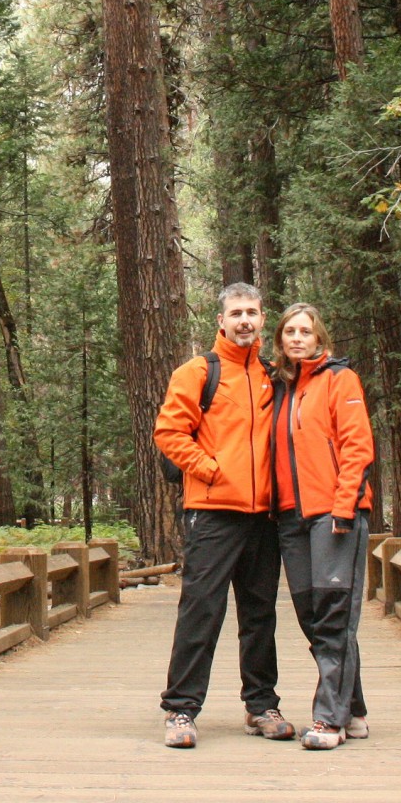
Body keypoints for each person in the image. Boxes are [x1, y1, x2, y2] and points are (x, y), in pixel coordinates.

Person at [153, 283, 296, 748]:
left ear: (262, 318)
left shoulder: (272, 375)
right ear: (221, 320)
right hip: (213, 512)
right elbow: (169, 432)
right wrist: (210, 470)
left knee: (260, 615)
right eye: (236, 312)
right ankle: (180, 710)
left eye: (253, 312)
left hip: (264, 517)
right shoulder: (198, 372)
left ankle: (262, 705)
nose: (245, 320)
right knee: (202, 610)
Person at [270, 302, 374, 750]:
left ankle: (328, 720)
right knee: (314, 619)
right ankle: (355, 709)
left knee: (334, 616)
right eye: (289, 331)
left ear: (319, 339)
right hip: (290, 518)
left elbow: (357, 446)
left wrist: (344, 506)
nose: (297, 337)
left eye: (305, 331)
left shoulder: (339, 379)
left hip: (334, 514)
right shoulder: (280, 388)